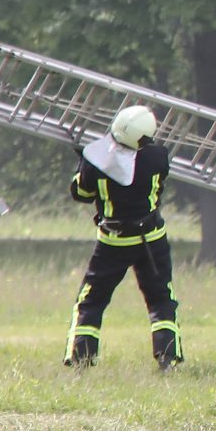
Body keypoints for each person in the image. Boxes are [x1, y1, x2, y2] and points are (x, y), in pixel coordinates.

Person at [66, 103, 182, 370]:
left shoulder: (98, 161)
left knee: (91, 299)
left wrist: (83, 162)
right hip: (151, 239)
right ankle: (167, 358)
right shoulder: (158, 157)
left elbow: (80, 195)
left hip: (113, 242)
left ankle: (81, 358)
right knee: (161, 298)